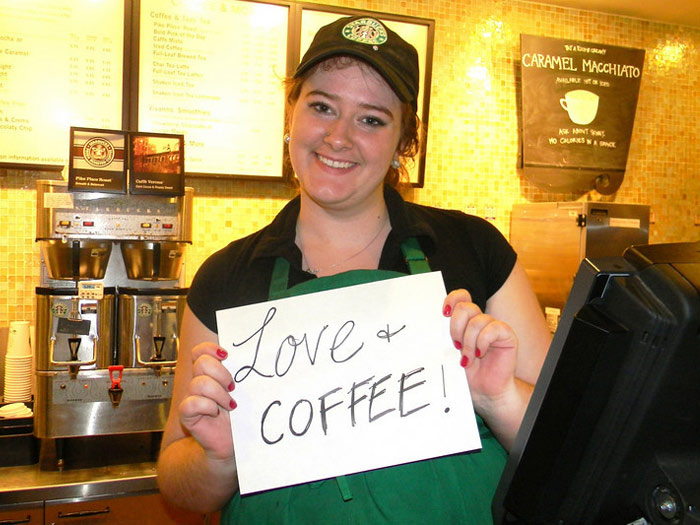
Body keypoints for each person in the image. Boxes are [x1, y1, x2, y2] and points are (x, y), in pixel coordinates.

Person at [157, 14, 551, 524]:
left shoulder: (474, 248)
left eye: (371, 119)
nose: (338, 137)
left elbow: (562, 454)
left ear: (404, 141)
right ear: (290, 115)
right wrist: (222, 457)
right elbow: (178, 488)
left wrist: (496, 398)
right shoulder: (228, 277)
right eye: (322, 106)